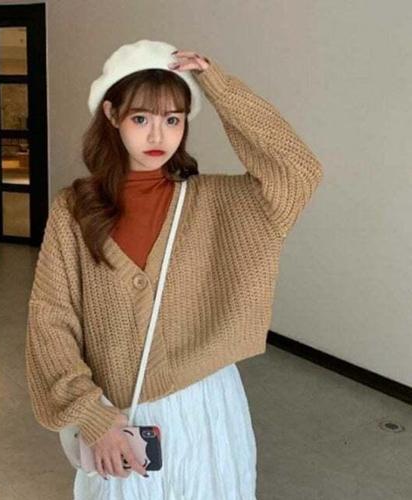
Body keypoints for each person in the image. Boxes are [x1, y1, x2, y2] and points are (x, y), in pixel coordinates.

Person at [25, 39, 324, 499]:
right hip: (115, 414)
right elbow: (51, 319)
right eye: (140, 119)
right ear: (111, 115)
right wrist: (91, 415)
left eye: (173, 119)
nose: (158, 137)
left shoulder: (217, 202)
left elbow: (297, 172)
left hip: (205, 407)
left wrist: (219, 87)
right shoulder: (75, 209)